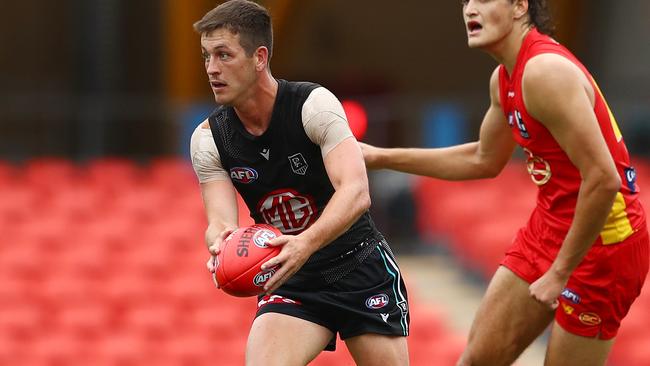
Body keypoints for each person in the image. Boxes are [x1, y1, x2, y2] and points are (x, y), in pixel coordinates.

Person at [361, 0, 648, 365]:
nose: (469, 10)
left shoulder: (545, 72)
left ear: (518, 6)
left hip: (606, 244)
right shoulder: (504, 79)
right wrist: (378, 156)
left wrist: (559, 272)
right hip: (550, 226)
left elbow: (604, 179)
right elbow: (482, 159)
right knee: (475, 361)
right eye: (466, 2)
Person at [188, 1, 410, 365]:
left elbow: (356, 193)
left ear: (259, 57)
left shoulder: (314, 105)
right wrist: (221, 247)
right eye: (206, 56)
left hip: (358, 266)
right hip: (291, 279)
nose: (211, 68)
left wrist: (304, 244)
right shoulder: (209, 138)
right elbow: (220, 222)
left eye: (223, 55)